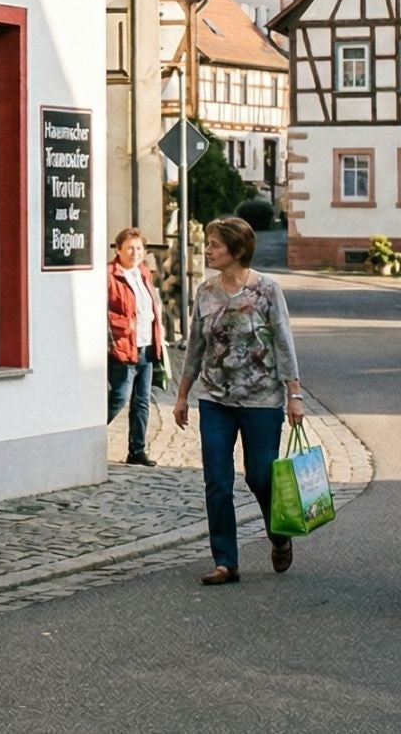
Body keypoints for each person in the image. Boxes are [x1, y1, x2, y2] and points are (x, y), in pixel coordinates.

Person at [172, 216, 305, 586]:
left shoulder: (266, 290)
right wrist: (183, 395)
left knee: (261, 476)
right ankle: (226, 561)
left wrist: (294, 395)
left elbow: (283, 343)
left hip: (262, 400)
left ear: (236, 249)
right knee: (217, 479)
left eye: (215, 244)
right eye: (209, 244)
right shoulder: (206, 292)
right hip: (215, 399)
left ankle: (279, 535)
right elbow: (195, 346)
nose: (209, 250)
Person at [106, 227, 165, 466]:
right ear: (118, 249)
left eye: (139, 248)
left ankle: (137, 450)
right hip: (123, 346)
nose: (135, 252)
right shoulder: (109, 275)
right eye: (130, 247)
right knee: (119, 397)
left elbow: (151, 307)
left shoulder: (143, 273)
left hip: (146, 346)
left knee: (142, 401)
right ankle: (86, 435)